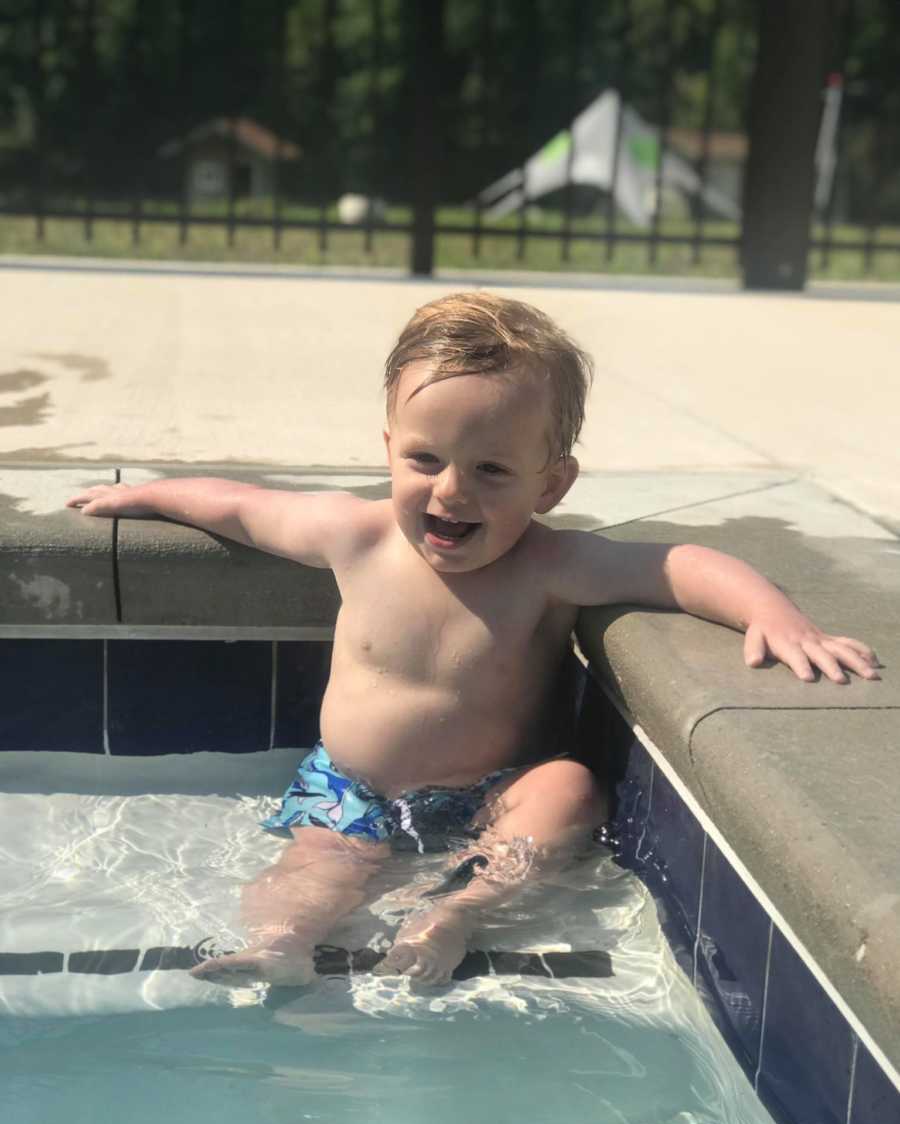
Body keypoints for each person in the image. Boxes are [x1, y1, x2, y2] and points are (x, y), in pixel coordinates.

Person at [67, 292, 880, 988]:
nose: (450, 490)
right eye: (425, 458)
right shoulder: (354, 534)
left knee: (568, 792)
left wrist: (774, 614)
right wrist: (145, 494)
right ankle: (280, 945)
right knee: (314, 867)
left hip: (493, 791)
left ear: (550, 483)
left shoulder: (551, 565)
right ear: (389, 450)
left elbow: (677, 567)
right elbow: (240, 507)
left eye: (492, 471)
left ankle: (456, 916)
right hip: (354, 790)